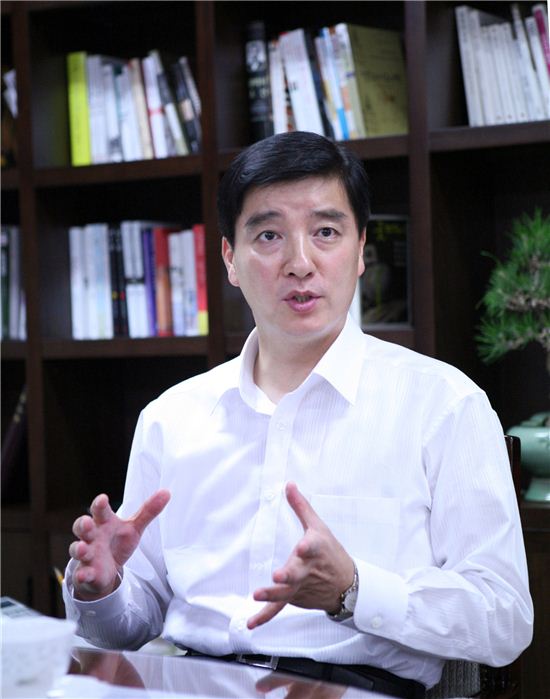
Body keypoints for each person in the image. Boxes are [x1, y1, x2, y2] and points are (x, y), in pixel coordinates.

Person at [64, 131, 533, 699]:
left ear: (361, 250)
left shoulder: (443, 405)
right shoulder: (172, 416)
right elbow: (131, 625)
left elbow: (504, 618)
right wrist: (104, 588)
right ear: (230, 259)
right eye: (269, 235)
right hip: (191, 683)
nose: (300, 263)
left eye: (326, 232)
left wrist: (353, 590)